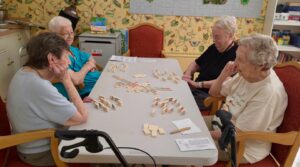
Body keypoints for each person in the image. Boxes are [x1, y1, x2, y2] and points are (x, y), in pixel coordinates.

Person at [6, 32, 88, 166]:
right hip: (41, 153)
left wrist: (77, 103)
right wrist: (66, 79)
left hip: (30, 145)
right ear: (52, 59)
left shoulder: (25, 72)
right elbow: (82, 117)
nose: (68, 62)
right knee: (97, 145)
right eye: (67, 57)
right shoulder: (39, 86)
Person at [206, 34, 287, 164]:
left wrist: (203, 134)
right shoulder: (247, 74)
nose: (235, 63)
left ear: (261, 65)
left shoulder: (268, 93)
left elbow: (237, 134)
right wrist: (224, 73)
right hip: (219, 125)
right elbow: (214, 93)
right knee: (180, 125)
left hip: (238, 146)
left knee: (185, 149)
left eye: (240, 59)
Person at [182, 16, 238, 111]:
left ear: (230, 35)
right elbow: (196, 63)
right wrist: (188, 74)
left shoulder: (237, 54)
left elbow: (225, 82)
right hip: (195, 90)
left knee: (180, 104)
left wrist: (198, 84)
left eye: (217, 37)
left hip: (209, 97)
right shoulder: (214, 47)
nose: (214, 40)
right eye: (213, 36)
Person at [48, 16, 101, 99]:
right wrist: (88, 66)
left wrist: (86, 68)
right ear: (54, 35)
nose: (70, 36)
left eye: (72, 32)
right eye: (65, 33)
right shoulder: (54, 57)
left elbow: (90, 58)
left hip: (97, 86)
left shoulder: (71, 49)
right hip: (83, 95)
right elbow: (76, 80)